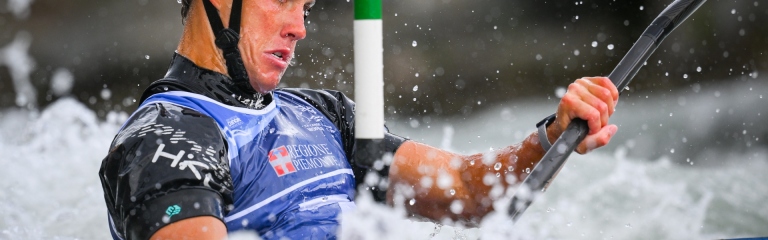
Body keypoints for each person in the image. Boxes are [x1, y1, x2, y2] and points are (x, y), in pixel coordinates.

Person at [98, 0, 619, 239]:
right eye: (282, 1)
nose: (299, 27)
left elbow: (465, 190)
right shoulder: (162, 142)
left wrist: (552, 136)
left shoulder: (323, 115)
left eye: (306, 6)